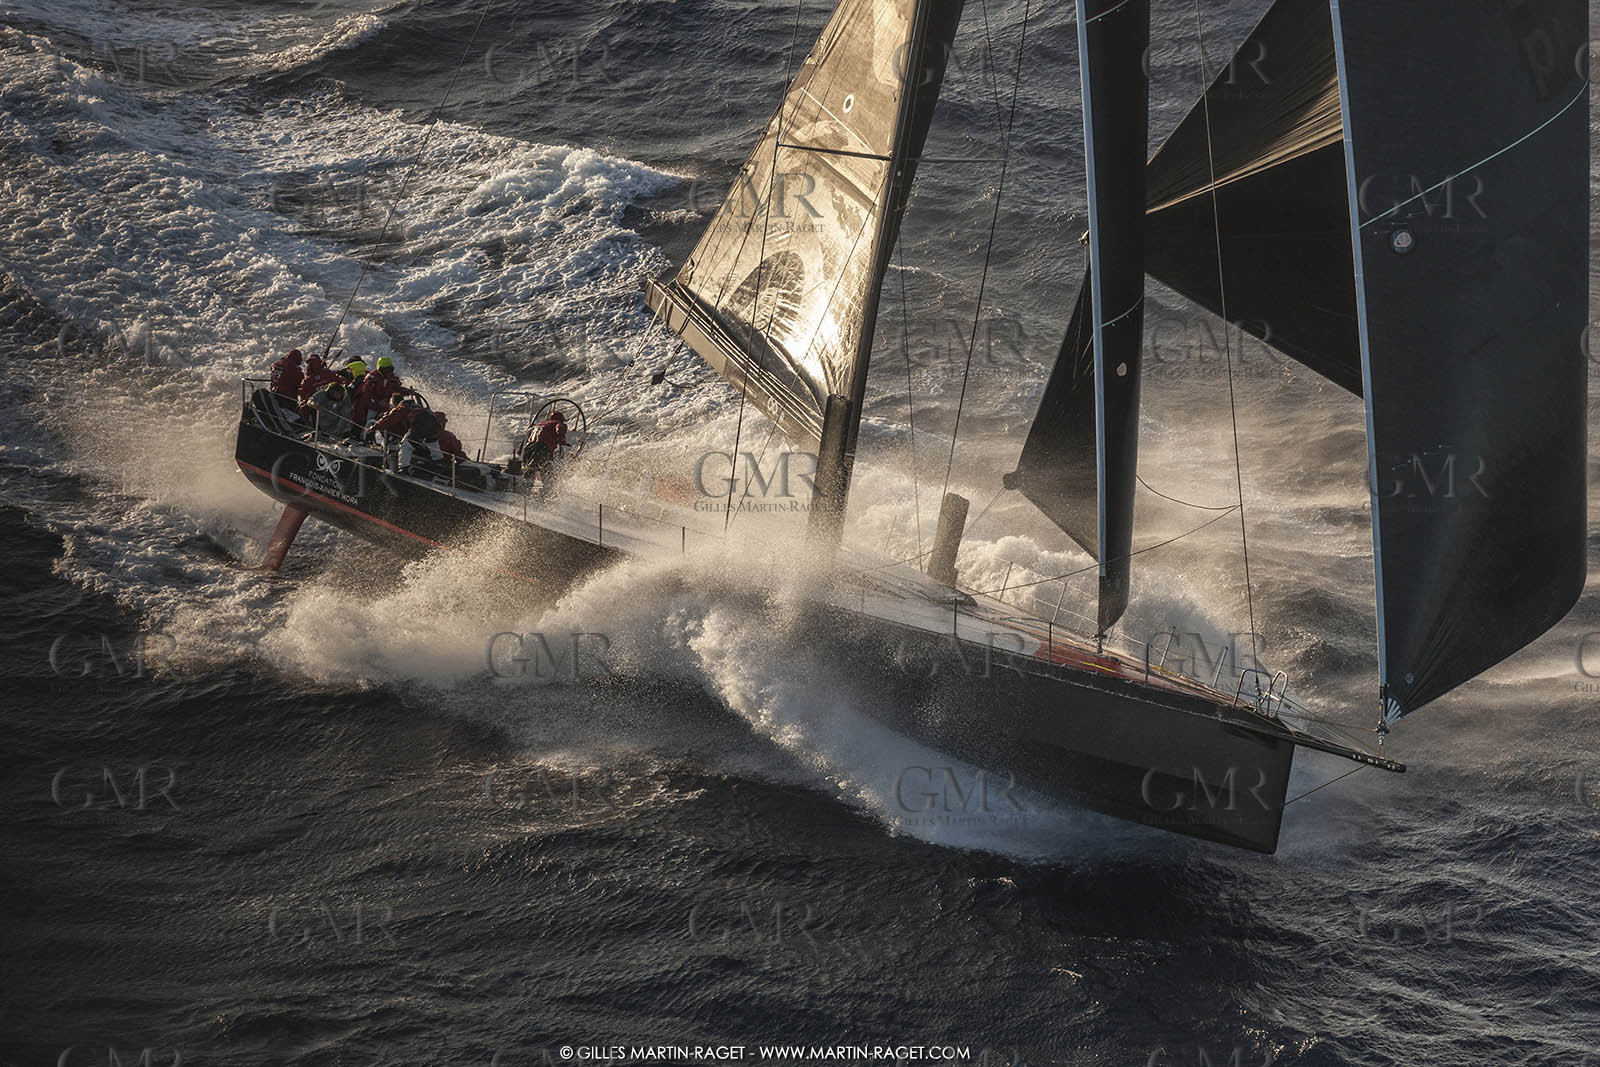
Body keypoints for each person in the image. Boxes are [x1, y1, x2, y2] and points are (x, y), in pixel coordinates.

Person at [355, 356, 402, 428]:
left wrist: (406, 392)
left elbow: (397, 390)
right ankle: (365, 435)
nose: (387, 372)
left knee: (393, 418)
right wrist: (376, 404)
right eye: (385, 370)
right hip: (371, 405)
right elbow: (366, 394)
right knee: (370, 420)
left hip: (385, 405)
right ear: (379, 369)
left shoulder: (394, 379)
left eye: (389, 369)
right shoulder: (371, 378)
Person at [522, 409, 567, 485]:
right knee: (547, 472)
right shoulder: (558, 423)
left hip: (528, 447)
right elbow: (559, 429)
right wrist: (561, 439)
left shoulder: (540, 424)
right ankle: (546, 493)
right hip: (542, 449)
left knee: (529, 469)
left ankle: (523, 488)